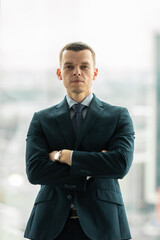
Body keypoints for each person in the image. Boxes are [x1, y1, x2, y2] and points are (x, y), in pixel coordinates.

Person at [24, 42, 135, 240]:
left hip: (104, 224)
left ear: (95, 73)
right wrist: (94, 168)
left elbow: (120, 165)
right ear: (59, 73)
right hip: (50, 226)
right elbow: (35, 171)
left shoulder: (118, 116)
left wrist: (64, 156)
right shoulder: (42, 119)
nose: (77, 72)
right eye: (69, 66)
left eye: (84, 66)